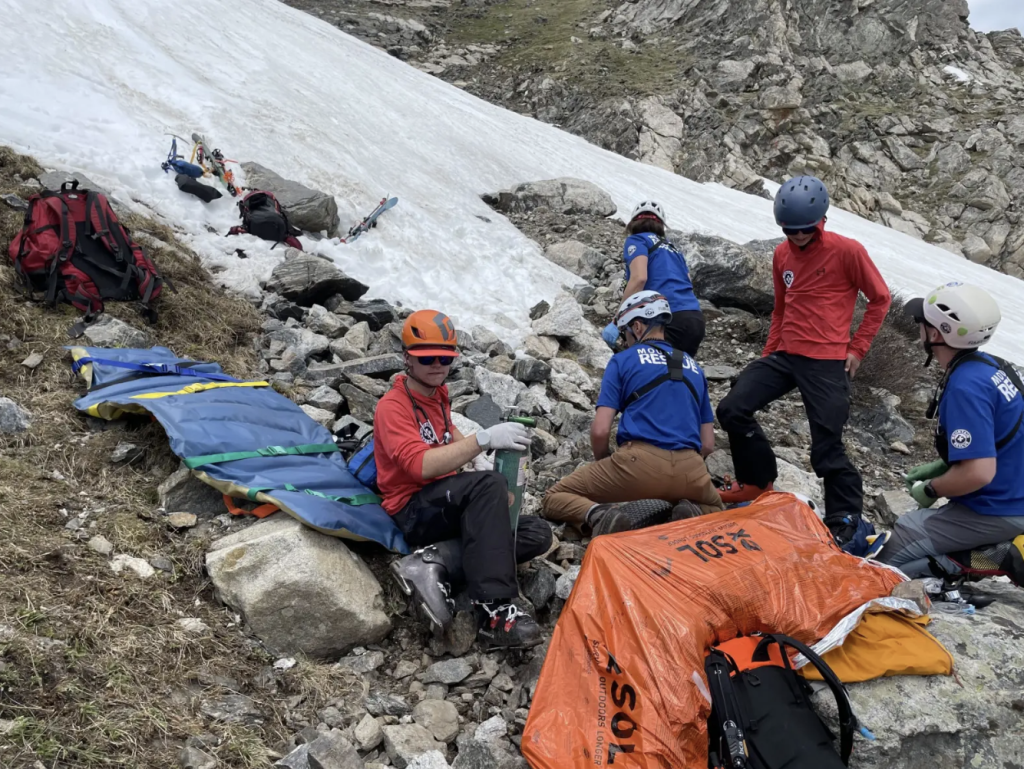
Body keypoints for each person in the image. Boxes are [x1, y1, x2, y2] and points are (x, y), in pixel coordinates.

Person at [715, 175, 891, 549]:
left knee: (826, 447)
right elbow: (780, 309)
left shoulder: (848, 251)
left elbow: (880, 299)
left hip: (827, 362)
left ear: (821, 220)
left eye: (804, 230)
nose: (797, 236)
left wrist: (857, 349)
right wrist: (767, 357)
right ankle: (757, 481)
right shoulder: (781, 255)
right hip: (784, 356)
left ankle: (844, 519)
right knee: (732, 408)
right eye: (789, 230)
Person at [374, 310, 552, 648]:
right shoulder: (392, 407)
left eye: (445, 357)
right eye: (427, 358)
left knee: (535, 533)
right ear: (407, 358)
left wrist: (475, 460)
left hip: (445, 500)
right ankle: (495, 610)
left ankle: (432, 561)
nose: (438, 365)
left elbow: (446, 429)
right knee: (489, 490)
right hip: (413, 508)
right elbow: (418, 467)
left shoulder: (436, 393)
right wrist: (482, 441)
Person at [876, 282, 1024, 589]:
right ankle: (977, 553)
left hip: (1000, 508)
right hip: (1013, 496)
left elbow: (979, 472)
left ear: (936, 334)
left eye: (923, 322)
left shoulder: (966, 386)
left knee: (888, 555)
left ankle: (988, 557)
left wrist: (932, 488)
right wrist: (946, 466)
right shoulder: (992, 366)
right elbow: (1004, 433)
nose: (919, 325)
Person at [545, 291, 724, 535]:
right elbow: (708, 444)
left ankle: (600, 516)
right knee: (714, 505)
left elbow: (600, 431)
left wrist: (606, 463)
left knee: (555, 496)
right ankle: (691, 511)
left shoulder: (623, 360)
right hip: (691, 471)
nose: (625, 339)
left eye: (625, 332)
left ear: (637, 326)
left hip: (637, 465)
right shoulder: (694, 368)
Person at [601, 201, 705, 356]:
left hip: (666, 317)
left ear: (634, 223)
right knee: (676, 373)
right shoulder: (673, 249)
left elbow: (639, 278)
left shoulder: (638, 240)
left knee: (646, 367)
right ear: (661, 225)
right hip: (694, 319)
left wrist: (617, 321)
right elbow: (688, 282)